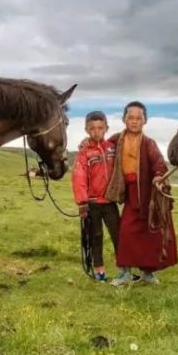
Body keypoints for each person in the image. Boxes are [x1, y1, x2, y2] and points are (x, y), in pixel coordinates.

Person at [106, 101, 178, 285]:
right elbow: (101, 148)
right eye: (130, 117)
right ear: (124, 119)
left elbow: (158, 163)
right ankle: (125, 273)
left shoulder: (148, 143)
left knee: (151, 234)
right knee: (126, 231)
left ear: (145, 121)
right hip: (130, 193)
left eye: (139, 118)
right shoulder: (115, 140)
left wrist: (159, 176)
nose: (134, 121)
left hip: (148, 193)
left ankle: (148, 273)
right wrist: (87, 142)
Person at [71, 110, 119, 281]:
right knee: (95, 236)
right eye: (92, 128)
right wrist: (82, 202)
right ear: (86, 130)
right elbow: (79, 177)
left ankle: (124, 269)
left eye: (100, 128)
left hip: (110, 201)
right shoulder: (84, 153)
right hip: (92, 204)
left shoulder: (113, 147)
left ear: (106, 128)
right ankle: (99, 270)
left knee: (118, 235)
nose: (96, 132)